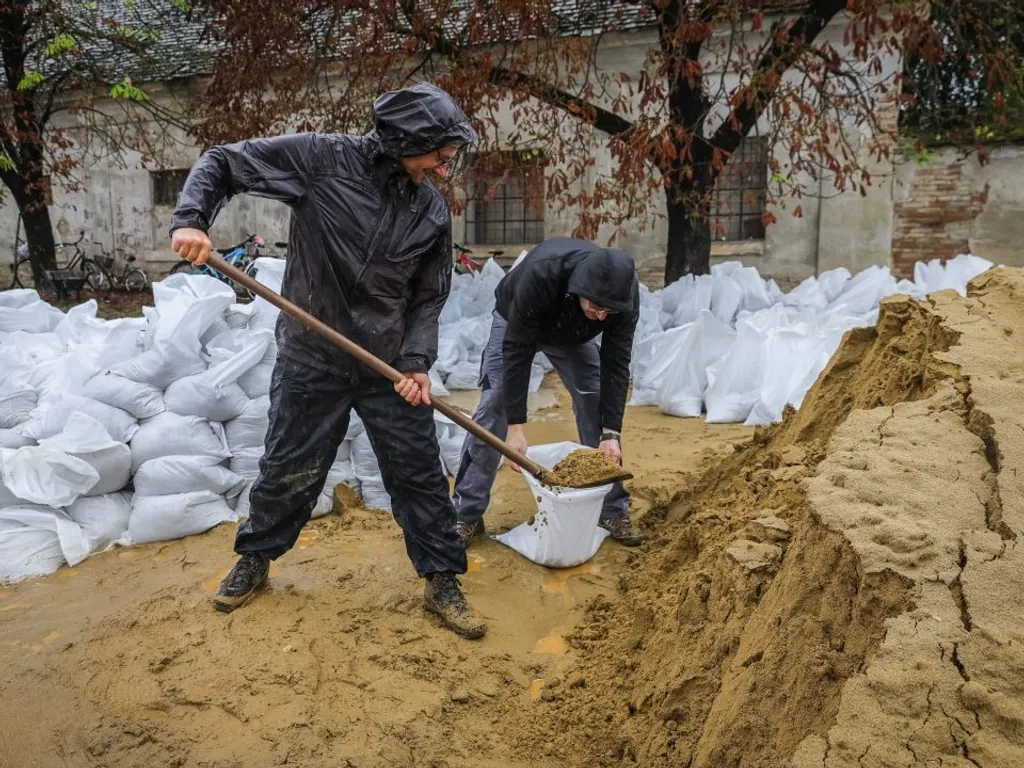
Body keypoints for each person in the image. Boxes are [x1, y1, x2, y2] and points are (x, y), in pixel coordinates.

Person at [168, 83, 487, 639]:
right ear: (402, 141)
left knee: (419, 477)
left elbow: (428, 295)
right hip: (312, 356)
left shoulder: (431, 209)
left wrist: (416, 363)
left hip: (386, 365)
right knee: (288, 470)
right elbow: (223, 161)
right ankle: (256, 560)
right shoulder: (322, 160)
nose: (445, 161)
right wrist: (192, 220)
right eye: (438, 148)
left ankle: (442, 580)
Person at [452, 236, 643, 548]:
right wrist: (515, 430)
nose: (602, 317)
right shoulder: (541, 274)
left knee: (594, 398)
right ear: (578, 291)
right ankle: (466, 514)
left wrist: (611, 432)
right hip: (517, 320)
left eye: (609, 312)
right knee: (496, 402)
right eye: (595, 308)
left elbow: (616, 364)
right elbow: (516, 351)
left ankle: (611, 509)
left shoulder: (622, 297)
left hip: (572, 334)